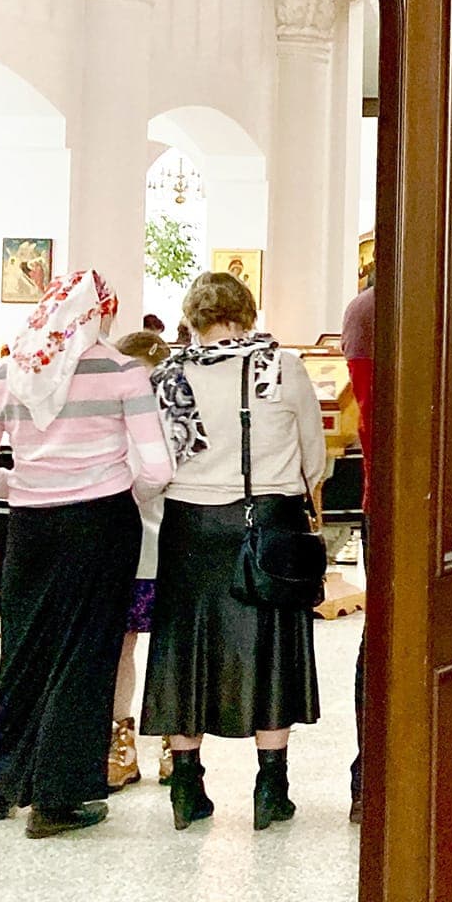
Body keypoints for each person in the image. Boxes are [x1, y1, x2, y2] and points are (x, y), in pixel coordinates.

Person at [0, 271, 173, 837]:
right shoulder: (122, 373)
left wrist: (22, 490)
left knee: (23, 647)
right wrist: (123, 493)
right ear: (98, 316)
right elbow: (158, 468)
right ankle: (59, 799)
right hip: (101, 524)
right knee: (86, 654)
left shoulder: (4, 373)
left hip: (29, 528)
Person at [144, 271, 325, 830]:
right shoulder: (281, 367)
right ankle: (271, 788)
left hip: (189, 527)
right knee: (271, 653)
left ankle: (188, 787)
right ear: (248, 311)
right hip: (267, 521)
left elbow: (152, 464)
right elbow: (313, 456)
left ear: (193, 318)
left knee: (184, 649)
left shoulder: (168, 374)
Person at [109, 329, 174, 793]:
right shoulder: (111, 415)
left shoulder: (177, 413)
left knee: (173, 648)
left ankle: (176, 741)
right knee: (122, 645)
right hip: (127, 545)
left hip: (171, 540)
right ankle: (120, 738)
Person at [340, 268, 376, 822]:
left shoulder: (363, 308)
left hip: (383, 495)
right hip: (450, 499)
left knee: (383, 633)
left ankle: (368, 779)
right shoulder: (376, 309)